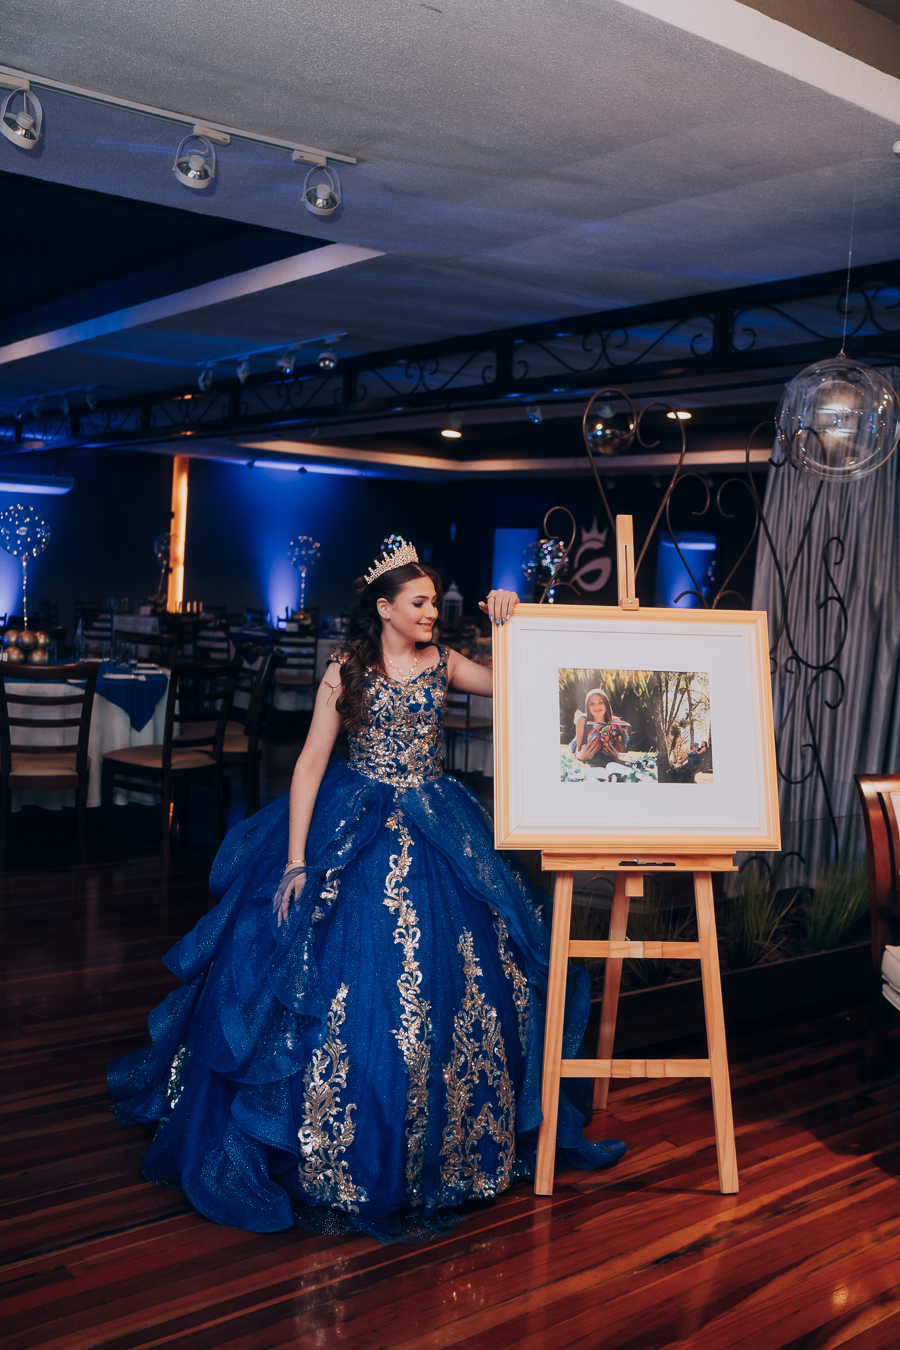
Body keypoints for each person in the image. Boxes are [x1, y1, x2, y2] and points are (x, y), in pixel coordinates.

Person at [109, 539, 625, 1245]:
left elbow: (521, 685)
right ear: (384, 608)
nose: (432, 613)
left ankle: (440, 1145)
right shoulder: (346, 669)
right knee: (327, 972)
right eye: (419, 603)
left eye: (434, 602)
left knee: (463, 972)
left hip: (437, 821)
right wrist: (295, 862)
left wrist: (509, 622)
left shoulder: (445, 663)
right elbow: (310, 763)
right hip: (352, 821)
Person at [572, 688, 630, 767]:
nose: (597, 706)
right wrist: (582, 756)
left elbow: (619, 750)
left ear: (606, 704)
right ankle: (578, 716)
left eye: (600, 702)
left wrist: (617, 755)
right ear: (587, 707)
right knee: (572, 745)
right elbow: (577, 752)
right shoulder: (582, 721)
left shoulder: (615, 722)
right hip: (579, 739)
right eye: (592, 703)